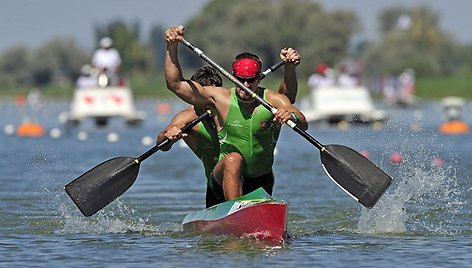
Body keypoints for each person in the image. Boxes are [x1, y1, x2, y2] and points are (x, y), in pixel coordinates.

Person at [164, 25, 308, 203]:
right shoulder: (220, 99)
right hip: (223, 179)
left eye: (250, 80)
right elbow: (176, 85)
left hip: (261, 180)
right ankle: (236, 210)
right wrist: (172, 46)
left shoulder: (273, 100)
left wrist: (291, 116)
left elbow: (302, 122)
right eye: (240, 80)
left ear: (258, 78)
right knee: (233, 159)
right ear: (232, 77)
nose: (245, 86)